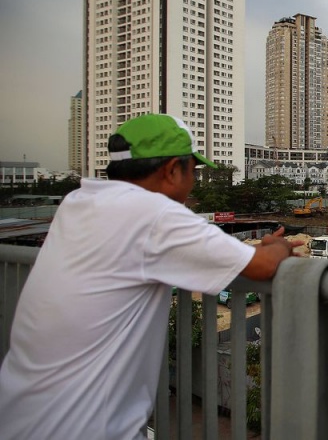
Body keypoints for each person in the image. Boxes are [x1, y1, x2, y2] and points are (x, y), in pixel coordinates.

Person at [0, 114, 302, 439]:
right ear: (172, 170)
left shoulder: (77, 202)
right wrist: (278, 245)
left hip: (18, 417)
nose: (193, 182)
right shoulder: (155, 215)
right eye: (193, 172)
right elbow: (262, 266)